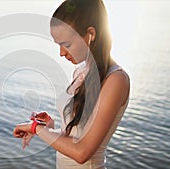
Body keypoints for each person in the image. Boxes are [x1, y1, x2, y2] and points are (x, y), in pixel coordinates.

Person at [13, 0, 130, 168]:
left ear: (91, 34)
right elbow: (76, 136)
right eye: (59, 45)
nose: (61, 53)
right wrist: (49, 127)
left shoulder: (116, 80)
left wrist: (36, 129)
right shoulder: (81, 73)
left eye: (66, 44)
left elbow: (82, 152)